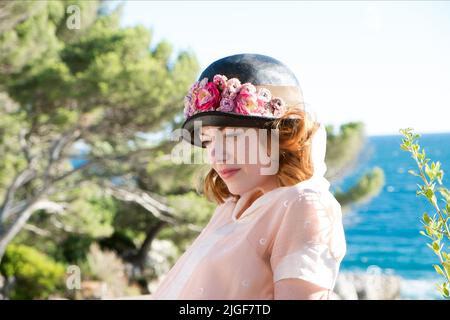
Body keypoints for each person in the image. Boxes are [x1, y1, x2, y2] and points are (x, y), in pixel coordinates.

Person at [152, 53, 347, 299]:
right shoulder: (231, 207)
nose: (217, 156)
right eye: (208, 139)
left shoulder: (303, 204)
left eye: (233, 135)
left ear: (282, 135)